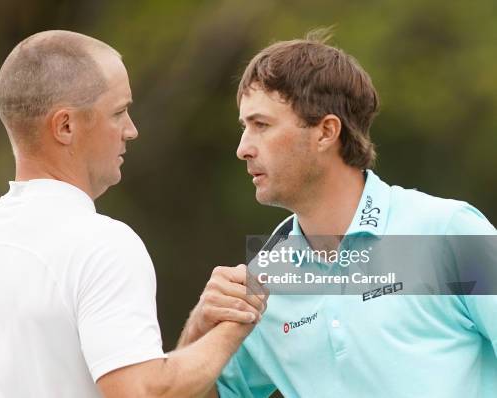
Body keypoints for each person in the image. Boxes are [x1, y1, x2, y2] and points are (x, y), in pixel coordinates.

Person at [0, 30, 267, 398]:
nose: (131, 130)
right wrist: (236, 324)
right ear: (65, 126)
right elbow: (142, 392)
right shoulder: (101, 244)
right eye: (118, 112)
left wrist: (197, 334)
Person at [179, 29, 497, 397]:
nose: (243, 149)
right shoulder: (264, 278)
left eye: (261, 125)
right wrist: (199, 328)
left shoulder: (449, 232)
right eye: (244, 127)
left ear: (326, 132)